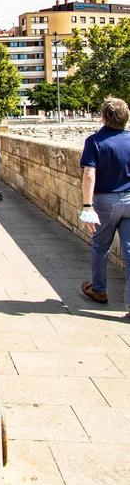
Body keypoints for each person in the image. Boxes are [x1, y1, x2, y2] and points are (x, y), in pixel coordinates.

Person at [79, 97, 130, 320]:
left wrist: (87, 205)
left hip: (105, 201)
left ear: (104, 117)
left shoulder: (95, 141)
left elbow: (89, 174)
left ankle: (99, 289)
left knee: (100, 247)